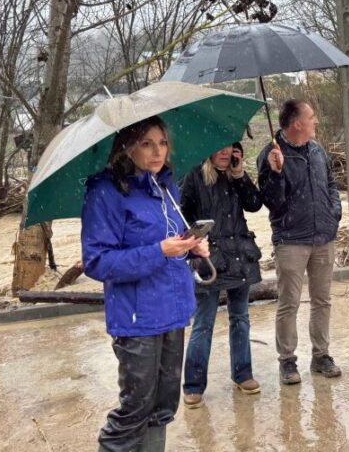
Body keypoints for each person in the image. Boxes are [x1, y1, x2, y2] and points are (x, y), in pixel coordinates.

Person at [82, 116, 209, 452]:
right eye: (146, 143)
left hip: (174, 310)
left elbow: (170, 242)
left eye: (163, 143)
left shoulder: (166, 187)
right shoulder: (105, 192)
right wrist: (159, 251)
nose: (157, 152)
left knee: (163, 407)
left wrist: (191, 248)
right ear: (127, 147)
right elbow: (97, 261)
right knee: (135, 409)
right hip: (137, 318)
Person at [256, 99, 343, 385]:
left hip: (323, 237)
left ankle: (321, 356)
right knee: (289, 303)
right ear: (297, 123)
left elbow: (330, 184)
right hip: (291, 240)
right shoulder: (271, 154)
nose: (315, 121)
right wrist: (276, 173)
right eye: (311, 116)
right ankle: (287, 361)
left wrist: (334, 212)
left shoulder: (317, 150)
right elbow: (272, 203)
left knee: (322, 300)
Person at [179, 142, 263, 409]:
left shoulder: (235, 176)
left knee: (241, 318)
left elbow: (254, 204)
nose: (226, 153)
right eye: (220, 148)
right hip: (210, 259)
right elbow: (181, 216)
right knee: (203, 323)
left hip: (240, 256)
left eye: (230, 148)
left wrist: (240, 176)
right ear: (209, 150)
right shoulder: (194, 176)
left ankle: (243, 374)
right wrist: (194, 242)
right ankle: (193, 385)